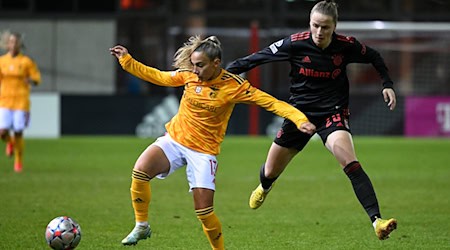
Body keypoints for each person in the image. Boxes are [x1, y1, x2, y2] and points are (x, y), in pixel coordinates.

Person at [110, 36, 316, 249]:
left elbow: (271, 102)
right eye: (193, 64)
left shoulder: (233, 86)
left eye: (200, 65)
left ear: (216, 63)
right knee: (140, 171)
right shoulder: (189, 76)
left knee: (204, 212)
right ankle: (141, 225)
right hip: (175, 140)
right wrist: (127, 60)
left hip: (203, 152)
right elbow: (158, 76)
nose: (195, 70)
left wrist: (299, 119)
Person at [226, 0, 397, 241]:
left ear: (334, 26)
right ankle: (265, 186)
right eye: (315, 26)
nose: (319, 32)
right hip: (299, 116)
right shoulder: (295, 44)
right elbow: (258, 57)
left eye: (325, 27)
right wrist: (227, 72)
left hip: (333, 113)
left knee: (351, 163)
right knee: (270, 171)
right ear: (309, 24)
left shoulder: (346, 46)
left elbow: (375, 56)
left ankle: (377, 221)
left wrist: (387, 84)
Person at [0, 31, 41, 172]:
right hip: (4, 101)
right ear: (7, 44)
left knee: (18, 131)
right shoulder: (2, 61)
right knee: (2, 132)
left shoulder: (26, 62)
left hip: (21, 102)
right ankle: (9, 143)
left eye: (16, 42)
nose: (13, 44)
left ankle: (18, 162)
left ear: (19, 44)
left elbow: (37, 79)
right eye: (11, 41)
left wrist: (30, 80)